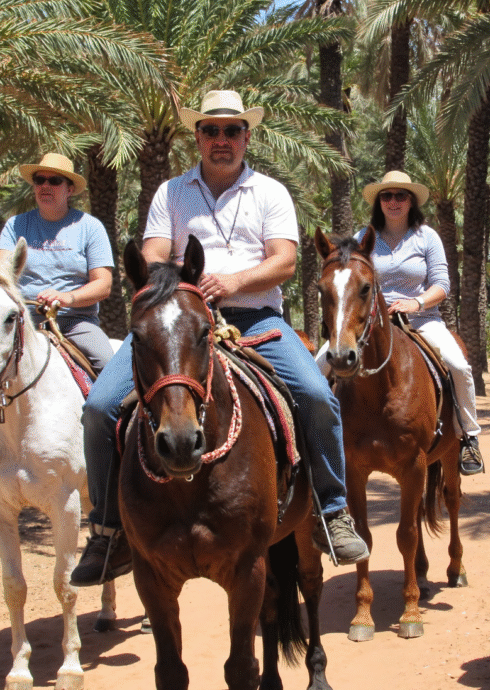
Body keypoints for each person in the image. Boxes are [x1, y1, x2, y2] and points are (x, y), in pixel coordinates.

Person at [70, 89, 369, 587]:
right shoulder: (172, 192)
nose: (222, 140)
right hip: (182, 321)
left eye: (232, 130)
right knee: (100, 406)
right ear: (198, 138)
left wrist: (231, 282)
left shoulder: (269, 193)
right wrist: (187, 287)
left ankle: (331, 511)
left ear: (247, 136)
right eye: (211, 130)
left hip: (255, 320)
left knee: (317, 396)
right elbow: (153, 254)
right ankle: (107, 531)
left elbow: (286, 261)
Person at [359, 169, 484, 475]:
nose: (393, 201)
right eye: (386, 196)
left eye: (401, 195)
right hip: (370, 325)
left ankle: (468, 436)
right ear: (379, 202)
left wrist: (415, 302)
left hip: (421, 321)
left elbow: (442, 284)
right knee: (323, 364)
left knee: (457, 364)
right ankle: (320, 442)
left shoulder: (427, 237)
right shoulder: (363, 237)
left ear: (411, 201)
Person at [0, 152, 114, 374]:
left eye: (54, 181)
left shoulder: (90, 227)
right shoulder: (15, 225)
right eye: (39, 180)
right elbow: (3, 271)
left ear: (69, 189)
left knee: (108, 365)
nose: (45, 186)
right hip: (21, 321)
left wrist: (66, 298)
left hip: (75, 322)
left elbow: (104, 284)